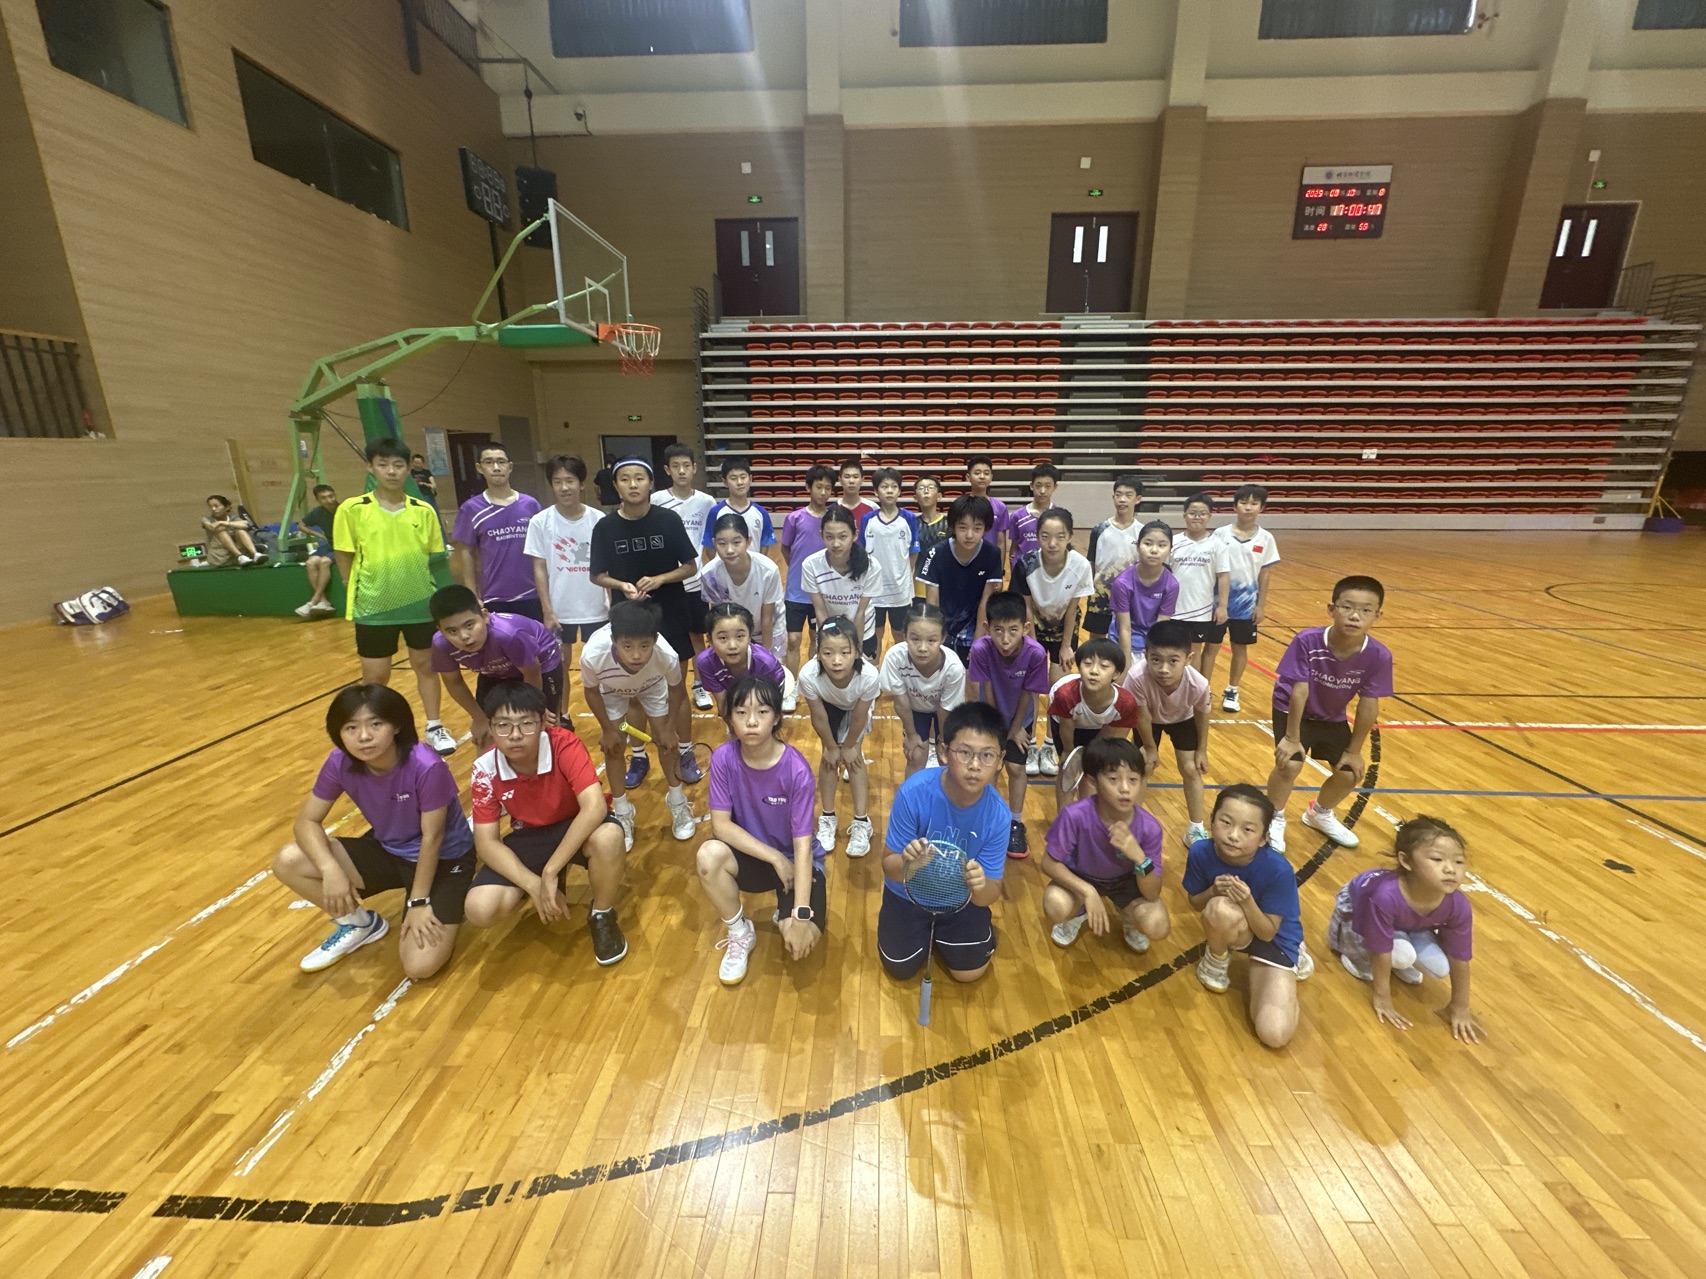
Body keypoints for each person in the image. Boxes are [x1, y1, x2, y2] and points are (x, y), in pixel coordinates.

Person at [272, 684, 474, 978]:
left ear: (396, 726)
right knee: (289, 860)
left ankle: (453, 894)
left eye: (375, 724)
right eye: (351, 727)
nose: (364, 736)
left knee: (420, 966)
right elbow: (306, 822)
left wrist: (418, 902)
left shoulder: (426, 765)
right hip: (389, 850)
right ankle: (358, 923)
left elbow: (433, 838)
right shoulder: (339, 762)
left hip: (445, 859)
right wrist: (330, 869)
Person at [462, 682, 629, 966]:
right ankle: (541, 885)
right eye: (503, 725)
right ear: (490, 728)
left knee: (609, 836)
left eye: (526, 724)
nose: (515, 735)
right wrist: (534, 884)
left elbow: (594, 807)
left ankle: (602, 913)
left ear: (542, 723)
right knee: (480, 908)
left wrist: (550, 870)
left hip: (574, 824)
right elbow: (486, 842)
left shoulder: (563, 743)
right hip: (530, 834)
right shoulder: (485, 769)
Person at [696, 675, 828, 986]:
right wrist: (774, 858)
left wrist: (800, 916)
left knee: (803, 938)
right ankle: (740, 931)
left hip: (796, 861)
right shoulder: (723, 758)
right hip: (756, 856)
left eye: (762, 712)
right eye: (741, 712)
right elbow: (721, 826)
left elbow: (803, 847)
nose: (752, 722)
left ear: (777, 717)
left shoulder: (797, 771)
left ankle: (787, 911)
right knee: (708, 856)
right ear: (730, 718)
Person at [333, 437, 456, 755]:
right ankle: (377, 730)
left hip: (421, 605)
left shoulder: (423, 510)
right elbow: (343, 553)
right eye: (383, 464)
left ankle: (434, 726)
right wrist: (351, 585)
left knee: (426, 666)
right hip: (374, 607)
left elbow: (437, 559)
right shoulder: (352, 509)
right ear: (370, 467)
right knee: (375, 676)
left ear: (408, 469)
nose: (391, 471)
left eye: (398, 465)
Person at [877, 701, 1011, 986]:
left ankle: (957, 934)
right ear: (943, 752)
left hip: (961, 900)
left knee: (968, 974)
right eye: (964, 752)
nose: (975, 765)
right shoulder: (913, 793)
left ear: (1000, 760)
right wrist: (908, 863)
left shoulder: (999, 815)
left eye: (987, 755)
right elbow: (889, 867)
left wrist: (979, 885)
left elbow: (990, 893)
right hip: (907, 895)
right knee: (900, 968)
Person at [589, 456, 703, 787]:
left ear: (651, 483)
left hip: (671, 612)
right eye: (625, 479)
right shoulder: (605, 527)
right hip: (628, 617)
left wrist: (660, 579)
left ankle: (684, 751)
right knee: (634, 693)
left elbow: (690, 567)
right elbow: (597, 575)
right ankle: (639, 755)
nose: (633, 484)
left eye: (639, 478)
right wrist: (621, 586)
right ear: (616, 486)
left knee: (677, 688)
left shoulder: (668, 520)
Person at [1328, 815, 1483, 1043]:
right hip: (1356, 908)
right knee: (1393, 959)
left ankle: (1401, 946)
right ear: (1406, 861)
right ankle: (1356, 958)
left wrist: (1460, 1006)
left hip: (1409, 923)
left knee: (1440, 968)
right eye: (1437, 859)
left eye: (1458, 861)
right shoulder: (1384, 896)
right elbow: (1380, 950)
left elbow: (1459, 956)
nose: (1450, 869)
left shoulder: (1458, 905)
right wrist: (1382, 997)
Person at [1266, 575, 1391, 854]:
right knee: (1290, 764)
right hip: (1292, 709)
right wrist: (1291, 738)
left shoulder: (1378, 655)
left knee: (1349, 774)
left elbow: (1368, 704)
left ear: (1377, 616)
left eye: (1366, 610)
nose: (1355, 616)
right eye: (1347, 607)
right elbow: (1299, 691)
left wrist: (1354, 751)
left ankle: (1319, 813)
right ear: (1331, 609)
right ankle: (1273, 816)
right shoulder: (1307, 641)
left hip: (1331, 715)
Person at [1185, 785, 1313, 1047]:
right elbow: (1196, 904)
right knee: (1218, 908)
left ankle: (1294, 960)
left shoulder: (1278, 870)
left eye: (1248, 829)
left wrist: (1246, 900)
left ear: (1264, 838)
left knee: (1274, 1034)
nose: (1233, 835)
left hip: (1275, 937)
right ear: (1211, 821)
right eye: (1226, 822)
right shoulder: (1200, 852)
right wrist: (1212, 891)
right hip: (1238, 927)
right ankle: (1216, 959)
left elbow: (1267, 933)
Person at [579, 600, 697, 849]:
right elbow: (591, 691)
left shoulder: (666, 655)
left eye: (644, 646)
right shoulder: (593, 655)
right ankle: (622, 811)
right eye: (627, 646)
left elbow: (677, 689)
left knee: (667, 744)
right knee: (613, 748)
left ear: (655, 640)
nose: (636, 655)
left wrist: (669, 729)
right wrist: (607, 730)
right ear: (614, 640)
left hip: (652, 686)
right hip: (611, 690)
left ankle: (677, 801)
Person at [1040, 736, 1169, 955]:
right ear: (1092, 781)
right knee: (1055, 904)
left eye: (1133, 779)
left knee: (1157, 924)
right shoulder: (1074, 816)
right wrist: (1087, 892)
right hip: (1082, 876)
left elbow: (1152, 893)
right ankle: (1079, 911)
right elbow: (1048, 863)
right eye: (1113, 779)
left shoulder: (1150, 828)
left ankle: (1128, 916)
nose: (1125, 788)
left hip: (1126, 882)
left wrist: (1139, 857)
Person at [967, 591, 1052, 857]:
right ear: (987, 628)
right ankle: (986, 820)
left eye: (1013, 630)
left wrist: (1015, 728)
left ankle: (1015, 823)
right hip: (990, 717)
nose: (1005, 639)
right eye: (998, 630)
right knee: (990, 770)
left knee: (1016, 768)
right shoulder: (981, 649)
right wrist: (998, 729)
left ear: (1025, 628)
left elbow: (1029, 694)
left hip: (1020, 718)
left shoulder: (1036, 654)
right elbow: (987, 688)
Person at [428, 584, 565, 749]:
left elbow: (532, 673)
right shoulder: (441, 645)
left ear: (485, 616)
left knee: (544, 728)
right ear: (440, 630)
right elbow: (454, 683)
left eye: (469, 625)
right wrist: (479, 718)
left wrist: (535, 708)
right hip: (494, 670)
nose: (464, 636)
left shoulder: (508, 634)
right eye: (452, 631)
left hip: (540, 666)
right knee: (485, 733)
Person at [798, 618, 880, 858]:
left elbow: (860, 715)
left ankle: (862, 821)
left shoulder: (869, 676)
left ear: (857, 651)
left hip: (855, 708)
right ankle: (827, 817)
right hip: (828, 707)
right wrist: (831, 747)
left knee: (854, 759)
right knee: (828, 758)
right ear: (817, 653)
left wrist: (851, 745)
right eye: (828, 653)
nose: (836, 660)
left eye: (845, 652)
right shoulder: (809, 675)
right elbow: (818, 716)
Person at [1126, 620, 1212, 846]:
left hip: (1183, 719)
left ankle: (1196, 827)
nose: (1164, 669)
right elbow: (1141, 716)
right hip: (1149, 720)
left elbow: (1202, 714)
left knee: (1191, 768)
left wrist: (1202, 749)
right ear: (1146, 655)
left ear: (1188, 659)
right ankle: (1133, 825)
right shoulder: (1136, 677)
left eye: (1173, 661)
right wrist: (1150, 748)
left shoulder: (1199, 683)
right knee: (1143, 766)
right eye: (1156, 660)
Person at [1010, 508, 1092, 725]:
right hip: (1033, 627)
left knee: (1058, 685)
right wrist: (1033, 644)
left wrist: (1066, 646)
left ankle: (1050, 738)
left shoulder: (1080, 565)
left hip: (1064, 629)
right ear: (1037, 536)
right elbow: (1025, 606)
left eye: (1060, 537)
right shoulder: (1026, 563)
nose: (1052, 543)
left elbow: (1073, 609)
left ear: (1070, 536)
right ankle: (1028, 735)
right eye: (1045, 536)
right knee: (1030, 685)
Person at [651, 442, 718, 709]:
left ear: (694, 468)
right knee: (666, 638)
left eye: (686, 466)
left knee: (698, 637)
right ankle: (667, 686)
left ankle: (699, 685)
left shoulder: (707, 502)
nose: (681, 471)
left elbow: (711, 544)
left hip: (696, 582)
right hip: (667, 583)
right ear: (667, 469)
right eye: (675, 466)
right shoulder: (656, 500)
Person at [524, 454, 606, 667]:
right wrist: (547, 610)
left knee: (600, 663)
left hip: (596, 608)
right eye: (557, 482)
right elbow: (539, 568)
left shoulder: (600, 520)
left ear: (582, 484)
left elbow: (608, 567)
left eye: (570, 481)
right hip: (559, 609)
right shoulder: (540, 522)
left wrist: (611, 605)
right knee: (559, 664)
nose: (564, 488)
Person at [451, 442, 543, 621]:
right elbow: (466, 554)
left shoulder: (530, 505)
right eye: (489, 462)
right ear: (479, 467)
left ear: (510, 467)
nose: (496, 467)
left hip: (532, 594)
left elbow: (543, 551)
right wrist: (472, 595)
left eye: (501, 462)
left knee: (534, 639)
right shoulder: (471, 508)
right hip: (494, 597)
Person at [1211, 483, 1281, 713]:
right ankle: (1203, 689)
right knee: (1211, 647)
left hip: (1246, 607)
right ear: (1235, 506)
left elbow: (1265, 573)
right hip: (1218, 604)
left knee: (1240, 648)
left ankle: (1232, 689)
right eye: (1243, 503)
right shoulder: (1220, 534)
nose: (1248, 507)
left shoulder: (1266, 538)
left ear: (1261, 507)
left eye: (1253, 503)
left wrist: (1261, 605)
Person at [1047, 637, 1140, 804]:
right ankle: (1064, 817)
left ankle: (1087, 814)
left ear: (1116, 674)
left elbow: (1112, 737)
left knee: (1094, 769)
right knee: (1067, 769)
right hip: (1066, 723)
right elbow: (1066, 728)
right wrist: (1068, 752)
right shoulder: (1064, 695)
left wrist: (1093, 757)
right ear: (1079, 667)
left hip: (1101, 726)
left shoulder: (1125, 703)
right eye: (1087, 664)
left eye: (1104, 666)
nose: (1094, 671)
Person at [880, 601, 966, 778]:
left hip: (944, 711)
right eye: (915, 639)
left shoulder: (953, 667)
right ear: (904, 635)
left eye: (931, 640)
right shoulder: (895, 658)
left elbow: (945, 708)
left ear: (943, 638)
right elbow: (901, 702)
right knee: (916, 754)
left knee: (946, 758)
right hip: (915, 709)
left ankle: (948, 793)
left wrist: (943, 740)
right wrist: (911, 735)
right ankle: (911, 795)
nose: (922, 648)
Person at [917, 494, 1004, 665]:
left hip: (975, 629)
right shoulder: (935, 553)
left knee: (972, 677)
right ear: (953, 526)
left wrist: (978, 642)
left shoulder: (992, 554)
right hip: (944, 630)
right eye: (963, 527)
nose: (969, 535)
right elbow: (932, 603)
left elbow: (985, 601)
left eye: (977, 528)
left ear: (986, 528)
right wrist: (935, 639)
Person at [779, 464, 836, 710]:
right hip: (795, 592)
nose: (823, 492)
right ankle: (790, 689)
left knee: (817, 639)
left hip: (822, 592)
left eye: (828, 488)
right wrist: (798, 572)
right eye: (819, 487)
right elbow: (786, 548)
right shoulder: (795, 518)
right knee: (793, 640)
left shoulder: (834, 518)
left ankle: (813, 685)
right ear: (808, 488)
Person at [701, 511, 787, 660]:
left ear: (748, 541)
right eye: (722, 543)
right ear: (714, 543)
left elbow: (767, 617)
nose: (729, 550)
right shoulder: (710, 574)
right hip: (734, 632)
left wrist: (765, 656)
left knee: (771, 666)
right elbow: (719, 617)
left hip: (768, 628)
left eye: (736, 542)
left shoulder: (768, 570)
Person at [804, 505, 885, 659]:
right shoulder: (811, 565)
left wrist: (856, 651)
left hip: (863, 631)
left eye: (842, 537)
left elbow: (860, 613)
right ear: (821, 535)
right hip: (829, 631)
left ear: (855, 535)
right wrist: (828, 642)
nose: (836, 544)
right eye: (829, 537)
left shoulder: (872, 566)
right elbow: (820, 612)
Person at [1168, 493, 1230, 683]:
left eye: (1202, 513)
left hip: (1201, 610)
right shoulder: (1173, 542)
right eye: (1192, 513)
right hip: (1173, 608)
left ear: (1209, 516)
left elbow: (1223, 576)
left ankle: (1192, 689)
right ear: (1184, 515)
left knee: (1194, 650)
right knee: (1171, 649)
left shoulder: (1217, 545)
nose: (1197, 517)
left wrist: (1222, 606)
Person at [860, 467, 921, 649]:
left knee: (900, 636)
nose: (889, 491)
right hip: (874, 590)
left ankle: (901, 666)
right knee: (874, 636)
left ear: (899, 491)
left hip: (900, 591)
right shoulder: (868, 519)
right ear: (876, 491)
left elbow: (913, 551)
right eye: (884, 486)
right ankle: (875, 667)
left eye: (894, 486)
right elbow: (862, 551)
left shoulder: (909, 518)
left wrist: (904, 576)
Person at [1110, 519, 1179, 667]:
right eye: (1148, 543)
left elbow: (1161, 628)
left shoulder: (1172, 585)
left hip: (1151, 645)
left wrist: (1153, 659)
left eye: (1162, 545)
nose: (1154, 550)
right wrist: (1126, 666)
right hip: (1122, 643)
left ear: (1170, 550)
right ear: (1138, 546)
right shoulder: (1122, 583)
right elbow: (1125, 629)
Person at [694, 602, 786, 709]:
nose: (732, 646)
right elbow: (724, 705)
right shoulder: (705, 663)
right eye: (723, 638)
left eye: (740, 636)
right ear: (710, 639)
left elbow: (769, 710)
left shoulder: (766, 664)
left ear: (750, 636)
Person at [1084, 473, 1143, 641]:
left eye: (1128, 495)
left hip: (1130, 597)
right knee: (1096, 642)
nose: (1122, 499)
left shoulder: (1143, 532)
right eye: (1119, 495)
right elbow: (1091, 563)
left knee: (1127, 639)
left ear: (1138, 499)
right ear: (1113, 498)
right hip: (1100, 597)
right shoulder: (1099, 529)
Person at [702, 455, 776, 555]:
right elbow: (710, 546)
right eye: (733, 478)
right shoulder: (715, 512)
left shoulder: (761, 512)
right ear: (725, 482)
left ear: (750, 479)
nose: (740, 482)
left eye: (743, 477)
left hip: (753, 565)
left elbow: (764, 544)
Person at [294, 483, 340, 617]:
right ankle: (324, 601)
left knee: (324, 562)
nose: (329, 500)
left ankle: (314, 601)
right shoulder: (318, 512)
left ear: (335, 495)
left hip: (343, 547)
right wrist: (319, 535)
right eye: (324, 498)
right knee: (310, 563)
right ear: (318, 500)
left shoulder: (344, 509)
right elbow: (301, 526)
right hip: (329, 545)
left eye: (331, 496)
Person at [1007, 463, 1060, 571]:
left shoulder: (1060, 516)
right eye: (1038, 485)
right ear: (1031, 486)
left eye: (1048, 486)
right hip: (1024, 570)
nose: (1042, 491)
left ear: (1055, 487)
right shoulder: (1017, 516)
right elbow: (1014, 548)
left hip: (1049, 570)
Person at [963, 454, 1009, 561]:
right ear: (968, 477)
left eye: (986, 473)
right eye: (977, 473)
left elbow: (1001, 542)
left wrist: (999, 567)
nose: (982, 476)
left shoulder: (1000, 507)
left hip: (990, 561)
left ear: (991, 477)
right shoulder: (961, 505)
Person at [201, 494, 264, 566]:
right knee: (220, 530)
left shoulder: (234, 518)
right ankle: (240, 556)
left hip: (244, 556)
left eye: (216, 506)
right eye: (211, 507)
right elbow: (212, 527)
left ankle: (255, 554)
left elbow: (246, 524)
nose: (213, 509)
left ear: (227, 507)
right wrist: (229, 525)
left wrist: (223, 522)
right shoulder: (206, 519)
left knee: (240, 529)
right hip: (221, 558)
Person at [912, 474, 949, 590]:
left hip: (943, 587)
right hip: (917, 587)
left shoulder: (949, 525)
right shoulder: (911, 525)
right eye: (921, 488)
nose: (926, 491)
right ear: (915, 497)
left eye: (931, 487)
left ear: (939, 496)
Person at [836, 457, 875, 524]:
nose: (851, 481)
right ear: (840, 480)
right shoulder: (832, 509)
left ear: (862, 480)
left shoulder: (873, 508)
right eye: (847, 477)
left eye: (855, 477)